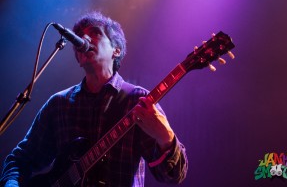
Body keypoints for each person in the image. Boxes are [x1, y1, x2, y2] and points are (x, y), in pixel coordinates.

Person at [0, 12, 188, 187]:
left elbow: (172, 176)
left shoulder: (137, 100)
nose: (84, 39)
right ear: (78, 57)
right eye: (80, 35)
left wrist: (166, 138)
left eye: (95, 33)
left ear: (116, 50)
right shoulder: (59, 105)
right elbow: (20, 160)